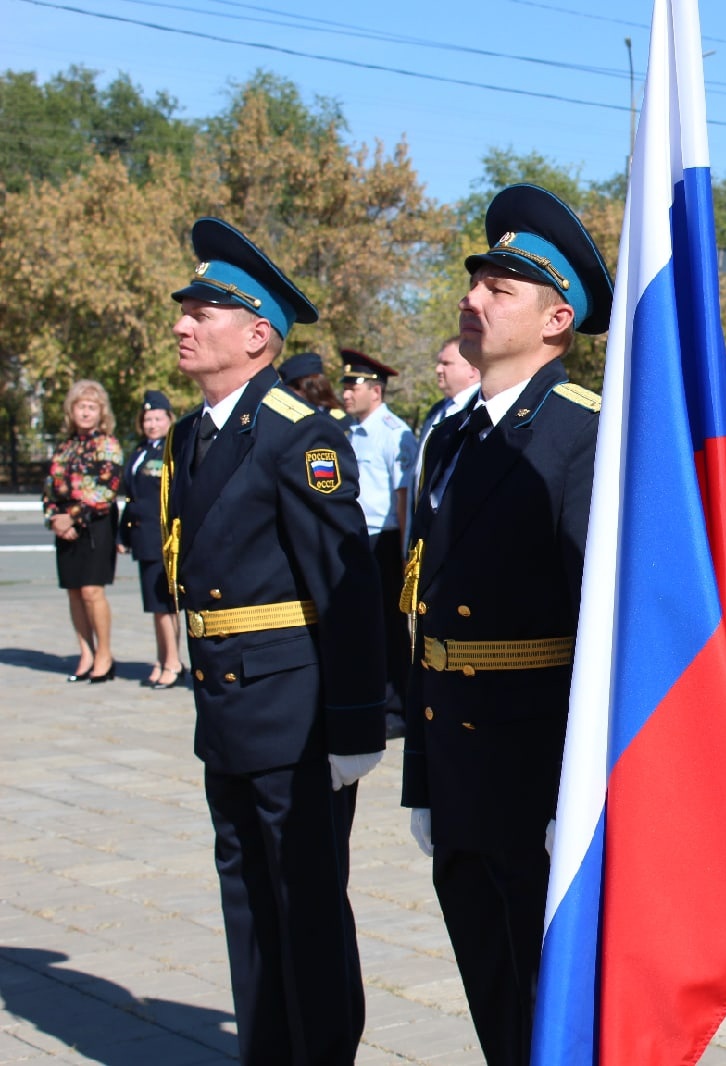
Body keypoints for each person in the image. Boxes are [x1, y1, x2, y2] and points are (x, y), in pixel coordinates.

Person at [167, 217, 387, 1064]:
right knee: (248, 906)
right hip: (226, 709)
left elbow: (347, 588)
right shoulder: (191, 435)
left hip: (295, 719)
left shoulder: (300, 433)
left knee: (307, 909)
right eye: (185, 312)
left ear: (257, 335)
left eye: (202, 313)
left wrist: (356, 727)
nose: (183, 325)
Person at [401, 183, 611, 1066]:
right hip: (460, 767)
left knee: (550, 1011)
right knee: (493, 994)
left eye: (500, 288)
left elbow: (606, 634)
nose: (473, 298)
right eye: (475, 282)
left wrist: (585, 798)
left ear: (558, 318)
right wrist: (422, 775)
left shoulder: (584, 435)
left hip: (536, 777)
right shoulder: (452, 435)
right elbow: (427, 618)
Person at [340, 348, 417, 724]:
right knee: (362, 623)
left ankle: (396, 705)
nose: (345, 393)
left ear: (376, 390)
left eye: (353, 386)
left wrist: (404, 553)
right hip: (356, 538)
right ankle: (372, 697)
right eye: (344, 386)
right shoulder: (349, 431)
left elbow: (403, 498)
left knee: (389, 625)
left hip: (384, 540)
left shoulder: (393, 433)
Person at [43, 378, 123, 683]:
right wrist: (55, 518)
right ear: (71, 410)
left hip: (96, 526)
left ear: (101, 412)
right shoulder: (65, 447)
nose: (86, 412)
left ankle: (104, 654)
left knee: (91, 591)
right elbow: (49, 489)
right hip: (64, 527)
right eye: (81, 406)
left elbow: (106, 490)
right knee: (74, 592)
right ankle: (85, 652)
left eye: (92, 407)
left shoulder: (107, 444)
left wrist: (72, 518)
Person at [117, 389, 185, 689]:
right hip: (142, 536)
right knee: (155, 606)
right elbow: (131, 498)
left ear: (169, 419)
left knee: (164, 605)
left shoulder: (173, 450)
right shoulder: (140, 451)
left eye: (158, 418)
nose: (152, 424)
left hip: (162, 538)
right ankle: (162, 659)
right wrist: (123, 534)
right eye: (147, 419)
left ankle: (173, 662)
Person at [411, 335, 480, 492]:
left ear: (472, 369)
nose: (438, 369)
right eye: (439, 363)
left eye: (446, 363)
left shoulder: (479, 410)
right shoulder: (436, 411)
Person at [280, 350, 352, 429]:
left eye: (290, 390)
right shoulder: (287, 420)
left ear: (305, 387)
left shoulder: (341, 423)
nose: (288, 395)